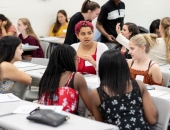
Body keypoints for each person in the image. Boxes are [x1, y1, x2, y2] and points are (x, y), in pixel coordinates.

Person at [91, 49, 158, 129]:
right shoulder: (139, 85)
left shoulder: (97, 93)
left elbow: (101, 125)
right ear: (125, 66)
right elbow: (152, 119)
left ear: (102, 70)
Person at [38, 44, 92, 114]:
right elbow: (91, 108)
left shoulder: (46, 77)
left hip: (44, 119)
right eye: (77, 59)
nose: (78, 61)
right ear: (71, 60)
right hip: (66, 121)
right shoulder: (76, 78)